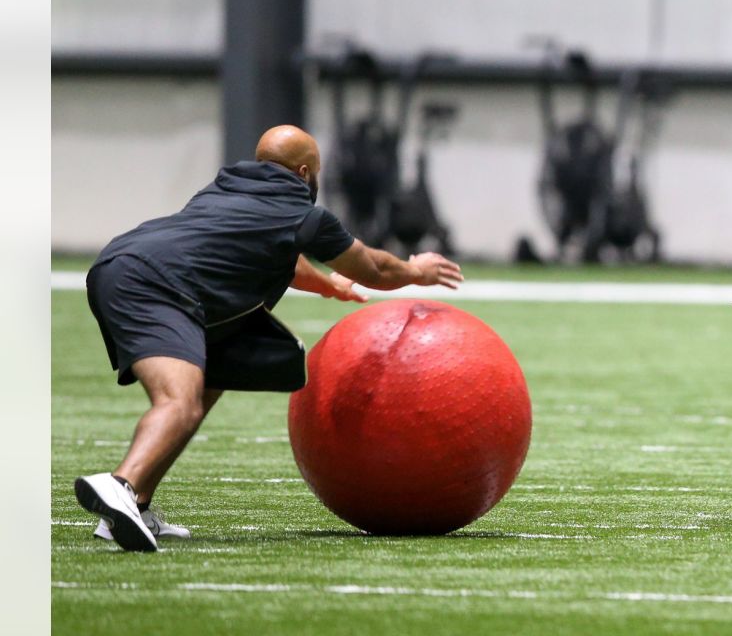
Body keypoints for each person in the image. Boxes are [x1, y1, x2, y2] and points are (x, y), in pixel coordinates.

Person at [74, 125, 464, 552]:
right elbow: (374, 269)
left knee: (211, 381)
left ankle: (136, 505)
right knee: (178, 401)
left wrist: (328, 286)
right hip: (158, 285)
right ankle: (120, 484)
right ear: (303, 172)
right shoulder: (304, 215)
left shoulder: (221, 190)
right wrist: (417, 271)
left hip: (123, 264)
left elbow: (285, 260)